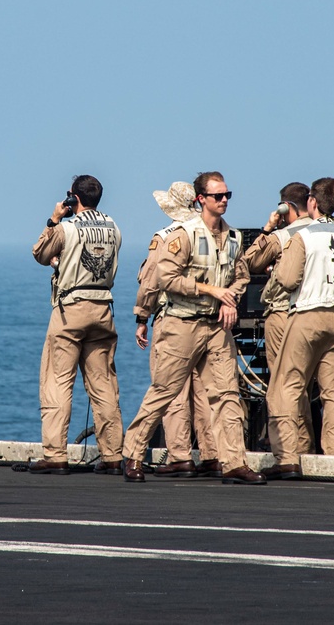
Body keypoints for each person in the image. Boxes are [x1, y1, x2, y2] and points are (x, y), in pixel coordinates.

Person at [122, 171, 265, 485]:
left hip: (215, 328)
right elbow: (164, 279)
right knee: (164, 391)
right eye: (218, 196)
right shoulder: (183, 235)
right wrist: (211, 291)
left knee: (227, 395)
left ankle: (234, 463)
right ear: (202, 199)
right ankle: (132, 454)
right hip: (181, 324)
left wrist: (230, 301)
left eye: (227, 195)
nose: (224, 200)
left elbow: (241, 277)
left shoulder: (234, 238)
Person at [263, 177, 334, 480]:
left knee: (287, 386)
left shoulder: (304, 237)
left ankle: (287, 457)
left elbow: (286, 280)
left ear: (312, 201)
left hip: (308, 315)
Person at [30, 175, 124, 475]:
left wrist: (53, 219)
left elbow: (40, 254)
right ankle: (113, 456)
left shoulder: (66, 227)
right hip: (103, 310)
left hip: (71, 311)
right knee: (104, 385)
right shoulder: (113, 227)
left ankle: (55, 455)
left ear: (74, 198)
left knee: (58, 382)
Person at [133, 182, 221, 478]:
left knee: (172, 389)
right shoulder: (210, 234)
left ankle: (180, 455)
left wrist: (141, 316)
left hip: (173, 321)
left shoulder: (167, 236)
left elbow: (151, 280)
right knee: (206, 392)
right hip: (209, 320)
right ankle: (212, 454)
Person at [242, 182, 316, 466]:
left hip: (284, 315)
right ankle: (307, 445)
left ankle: (287, 450)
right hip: (314, 314)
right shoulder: (327, 232)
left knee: (283, 385)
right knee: (306, 387)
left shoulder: (284, 235)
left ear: (285, 207)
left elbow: (249, 262)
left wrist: (268, 227)